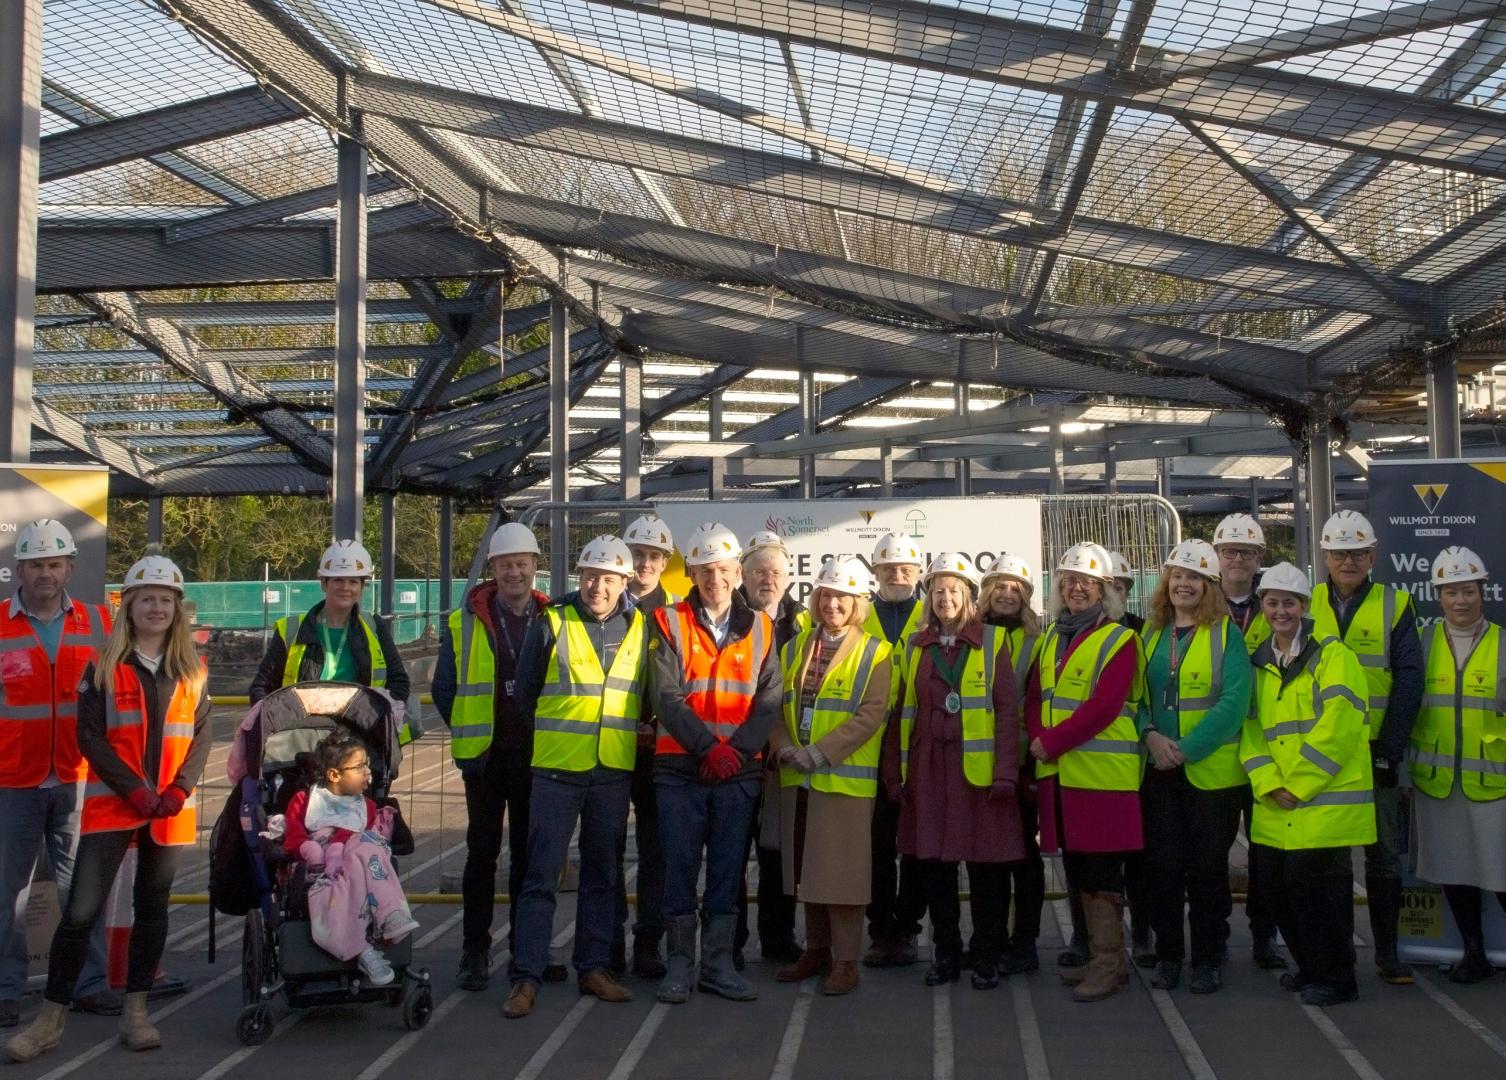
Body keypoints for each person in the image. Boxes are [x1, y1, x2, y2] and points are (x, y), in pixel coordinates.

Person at [7, 556, 212, 1063]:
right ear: (130, 607)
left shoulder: (192, 669)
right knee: (79, 911)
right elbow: (91, 737)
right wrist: (132, 790)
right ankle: (49, 1020)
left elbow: (201, 738)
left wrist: (179, 791)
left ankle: (136, 1012)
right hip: (114, 806)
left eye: (166, 600)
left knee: (153, 909)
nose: (157, 608)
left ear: (177, 609)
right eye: (148, 599)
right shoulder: (103, 665)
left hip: (168, 808)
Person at [503, 537, 648, 1018]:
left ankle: (593, 968)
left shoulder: (641, 627)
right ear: (578, 576)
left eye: (609, 578)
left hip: (611, 770)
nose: (597, 586)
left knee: (603, 877)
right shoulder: (552, 622)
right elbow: (523, 696)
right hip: (556, 771)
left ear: (625, 583)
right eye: (589, 575)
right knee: (541, 876)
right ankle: (525, 977)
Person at [649, 523, 780, 1004]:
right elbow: (665, 695)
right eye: (706, 571)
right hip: (680, 770)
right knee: (679, 868)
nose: (716, 580)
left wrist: (738, 752)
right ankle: (680, 965)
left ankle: (718, 964)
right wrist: (710, 749)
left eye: (724, 570)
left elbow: (770, 699)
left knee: (728, 870)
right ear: (693, 574)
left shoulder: (763, 626)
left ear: (738, 572)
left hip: (738, 772)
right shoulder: (668, 621)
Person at [432, 522, 564, 991]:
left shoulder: (553, 617)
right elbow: (443, 689)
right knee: (482, 856)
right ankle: (475, 952)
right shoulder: (463, 619)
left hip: (537, 758)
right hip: (485, 761)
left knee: (531, 860)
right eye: (506, 565)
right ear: (493, 569)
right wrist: (475, 732)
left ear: (534, 568)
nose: (514, 572)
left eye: (522, 564)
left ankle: (528, 952)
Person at [883, 552, 1023, 990]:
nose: (945, 598)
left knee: (986, 869)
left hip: (978, 775)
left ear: (969, 597)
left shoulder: (995, 641)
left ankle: (984, 955)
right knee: (934, 868)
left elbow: (1006, 713)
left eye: (954, 590)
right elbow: (899, 711)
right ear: (929, 598)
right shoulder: (914, 646)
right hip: (928, 771)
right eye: (938, 591)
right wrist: (894, 773)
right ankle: (945, 953)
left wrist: (1005, 774)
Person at [1241, 562, 1373, 1007]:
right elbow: (1250, 731)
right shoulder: (1257, 663)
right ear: (1263, 608)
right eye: (1273, 602)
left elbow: (1339, 728)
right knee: (1279, 891)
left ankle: (1337, 979)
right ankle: (1309, 966)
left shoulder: (1335, 657)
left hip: (1323, 805)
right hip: (1278, 804)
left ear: (1304, 607)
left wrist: (1297, 784)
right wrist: (1268, 781)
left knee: (1324, 898)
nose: (1281, 611)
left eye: (1289, 603)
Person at [0, 520, 116, 1031]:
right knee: (8, 894)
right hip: (12, 780)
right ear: (18, 570)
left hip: (79, 779)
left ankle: (86, 985)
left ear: (70, 567)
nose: (45, 574)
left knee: (80, 890)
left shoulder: (100, 623)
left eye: (54, 564)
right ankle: (5, 991)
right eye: (35, 565)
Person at [1025, 542, 1145, 1003]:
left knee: (1101, 873)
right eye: (1069, 580)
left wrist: (1049, 743)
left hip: (1100, 779)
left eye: (1088, 582)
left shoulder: (1120, 638)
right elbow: (1038, 696)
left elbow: (1104, 706)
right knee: (1077, 868)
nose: (1077, 588)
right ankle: (1098, 957)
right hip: (1061, 775)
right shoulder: (1052, 637)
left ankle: (1109, 964)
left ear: (1104, 591)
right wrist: (1040, 736)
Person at [770, 557, 892, 995]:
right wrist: (784, 745)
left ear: (857, 602)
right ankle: (816, 950)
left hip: (842, 779)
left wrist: (818, 754)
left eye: (842, 597)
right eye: (825, 595)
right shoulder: (795, 647)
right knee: (808, 870)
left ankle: (845, 961)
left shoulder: (877, 651)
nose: (832, 604)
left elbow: (872, 715)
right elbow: (775, 704)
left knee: (842, 876)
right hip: (798, 778)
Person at [1135, 540, 1252, 994]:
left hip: (1210, 775)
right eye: (1178, 576)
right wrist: (1151, 736)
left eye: (1195, 578)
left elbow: (1234, 703)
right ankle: (1169, 957)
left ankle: (1207, 959)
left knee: (1207, 871)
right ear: (1167, 583)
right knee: (1162, 867)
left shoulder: (1227, 635)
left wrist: (1184, 748)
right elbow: (1136, 698)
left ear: (1210, 587)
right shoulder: (1151, 634)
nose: (1184, 584)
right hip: (1159, 771)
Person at [1311, 510, 1423, 985]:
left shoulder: (1395, 604)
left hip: (1375, 751)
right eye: (1339, 553)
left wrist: (1390, 749)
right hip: (1322, 753)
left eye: (1357, 552)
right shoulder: (1304, 601)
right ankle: (1332, 954)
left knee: (1382, 855)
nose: (1348, 560)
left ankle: (1387, 953)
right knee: (1329, 858)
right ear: (1325, 557)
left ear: (1373, 555)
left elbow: (1410, 679)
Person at [1409, 546, 1506, 983]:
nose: (1460, 601)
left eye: (1468, 591)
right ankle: (1474, 953)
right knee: (1455, 871)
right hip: (1438, 780)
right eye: (1451, 593)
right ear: (1439, 597)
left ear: (1483, 593)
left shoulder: (1504, 643)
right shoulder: (1423, 643)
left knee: (1500, 875)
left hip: (1494, 783)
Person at [284, 732, 419, 985]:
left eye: (367, 764)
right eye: (359, 767)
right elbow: (292, 835)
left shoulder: (365, 806)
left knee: (368, 845)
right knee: (349, 870)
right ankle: (363, 951)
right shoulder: (304, 801)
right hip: (318, 868)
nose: (368, 772)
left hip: (355, 864)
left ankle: (390, 914)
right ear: (334, 775)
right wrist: (307, 848)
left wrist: (339, 844)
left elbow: (358, 834)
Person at [250, 540, 413, 743]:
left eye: (354, 581)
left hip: (359, 738)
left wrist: (376, 719)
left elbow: (399, 682)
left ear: (362, 586)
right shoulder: (290, 630)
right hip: (300, 738)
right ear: (324, 583)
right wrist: (278, 727)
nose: (346, 588)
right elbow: (261, 687)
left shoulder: (375, 628)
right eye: (338, 580)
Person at [1212, 512, 1283, 970]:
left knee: (1267, 849)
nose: (1238, 559)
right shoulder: (1197, 597)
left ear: (1260, 559)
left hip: (1266, 746)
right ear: (1216, 555)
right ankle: (1214, 935)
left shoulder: (1278, 603)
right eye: (1230, 551)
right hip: (1214, 748)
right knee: (1212, 849)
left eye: (1247, 552)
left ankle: (1263, 935)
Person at [612, 514, 678, 980]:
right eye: (637, 555)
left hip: (659, 749)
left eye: (654, 556)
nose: (645, 564)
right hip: (610, 744)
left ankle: (648, 941)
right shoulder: (601, 604)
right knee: (607, 846)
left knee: (657, 850)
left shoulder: (676, 612)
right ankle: (608, 938)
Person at [734, 531, 803, 968]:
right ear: (743, 576)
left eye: (776, 572)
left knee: (777, 852)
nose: (768, 579)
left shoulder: (803, 620)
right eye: (759, 571)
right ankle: (732, 943)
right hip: (736, 753)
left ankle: (778, 939)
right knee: (733, 851)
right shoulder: (729, 616)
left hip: (781, 757)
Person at [863, 532, 929, 969]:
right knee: (876, 843)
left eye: (905, 568)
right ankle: (880, 929)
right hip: (867, 744)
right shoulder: (857, 613)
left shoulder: (934, 614)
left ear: (919, 573)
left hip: (918, 742)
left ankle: (908, 926)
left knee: (918, 842)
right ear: (876, 572)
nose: (897, 575)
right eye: (888, 568)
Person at [979, 553, 1045, 975]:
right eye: (999, 586)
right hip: (979, 763)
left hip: (1022, 764)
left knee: (1023, 857)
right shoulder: (971, 634)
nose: (1006, 594)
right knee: (988, 858)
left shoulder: (1038, 641)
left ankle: (1025, 943)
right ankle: (991, 940)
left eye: (1015, 587)